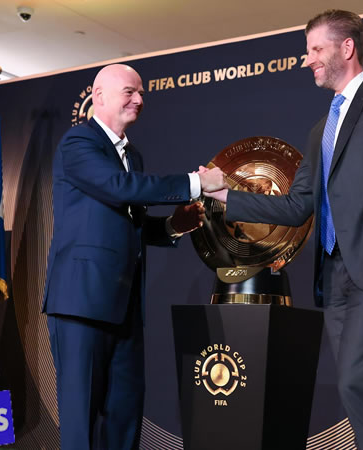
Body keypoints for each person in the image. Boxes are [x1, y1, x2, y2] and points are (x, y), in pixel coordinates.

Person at [205, 10, 363, 449]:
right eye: (308, 51)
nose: (308, 60)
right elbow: (297, 206)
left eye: (316, 49)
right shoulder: (322, 128)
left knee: (358, 381)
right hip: (335, 278)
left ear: (347, 47)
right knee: (362, 388)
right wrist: (226, 194)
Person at [42, 63, 226, 449]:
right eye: (130, 91)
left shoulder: (133, 156)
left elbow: (128, 224)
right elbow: (119, 187)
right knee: (81, 419)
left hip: (124, 306)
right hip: (81, 302)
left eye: (141, 92)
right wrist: (197, 183)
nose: (139, 99)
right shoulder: (79, 142)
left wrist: (172, 226)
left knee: (124, 415)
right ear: (99, 96)